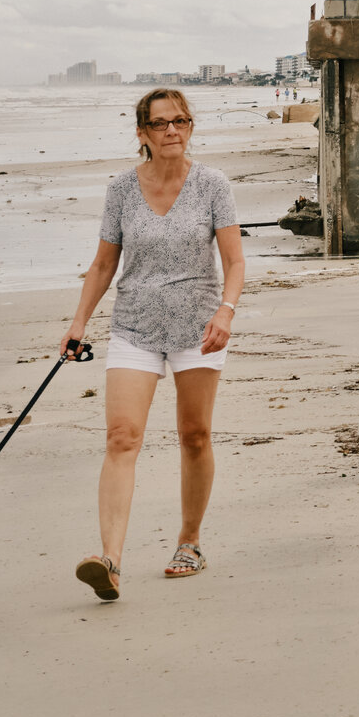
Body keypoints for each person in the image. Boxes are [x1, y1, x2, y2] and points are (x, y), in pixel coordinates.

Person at [59, 87, 244, 600]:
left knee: (195, 436)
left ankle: (190, 541)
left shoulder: (212, 185)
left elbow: (234, 261)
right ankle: (110, 561)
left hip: (198, 328)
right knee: (122, 437)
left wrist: (226, 311)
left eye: (180, 121)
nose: (172, 131)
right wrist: (79, 323)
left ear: (189, 127)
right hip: (134, 326)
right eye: (160, 123)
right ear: (141, 133)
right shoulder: (121, 189)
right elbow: (103, 265)